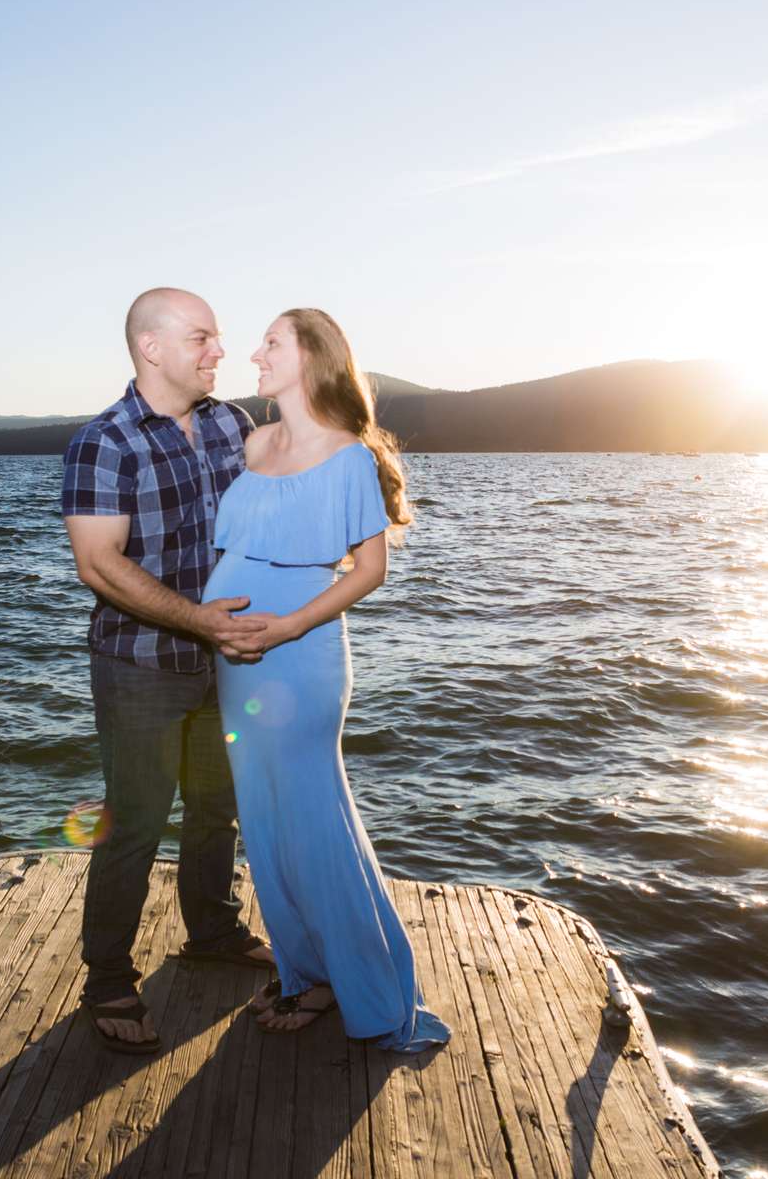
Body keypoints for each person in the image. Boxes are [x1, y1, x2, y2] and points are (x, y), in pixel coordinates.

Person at [203, 308, 450, 1051]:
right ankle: (304, 972)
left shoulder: (346, 458)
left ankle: (365, 986)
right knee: (265, 818)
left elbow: (369, 570)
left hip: (299, 652)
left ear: (311, 358)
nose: (254, 353)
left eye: (271, 343)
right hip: (232, 651)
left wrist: (287, 626)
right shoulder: (251, 442)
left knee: (314, 819)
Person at [61, 287, 276, 1054]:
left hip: (227, 665)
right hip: (141, 667)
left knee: (217, 808)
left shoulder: (231, 423)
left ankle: (212, 931)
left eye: (217, 338)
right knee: (135, 823)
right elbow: (97, 564)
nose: (219, 351)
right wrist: (199, 621)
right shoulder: (105, 442)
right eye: (202, 338)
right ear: (151, 348)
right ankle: (109, 976)